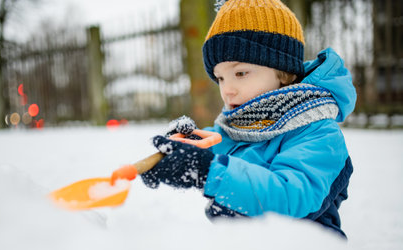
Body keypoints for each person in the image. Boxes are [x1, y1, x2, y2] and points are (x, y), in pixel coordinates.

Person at [141, 0, 356, 238]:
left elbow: (288, 199)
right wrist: (184, 148)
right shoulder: (238, 128)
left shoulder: (317, 132)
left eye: (240, 73)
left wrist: (207, 170)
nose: (227, 90)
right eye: (220, 78)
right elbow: (214, 146)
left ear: (283, 73)